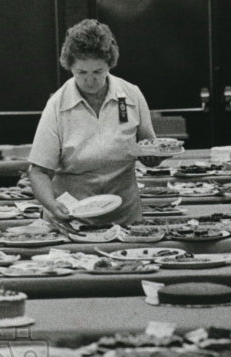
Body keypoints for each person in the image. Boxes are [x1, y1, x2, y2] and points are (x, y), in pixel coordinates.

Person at [28, 19, 156, 226]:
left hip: (125, 216)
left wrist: (153, 156)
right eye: (81, 73)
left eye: (97, 72)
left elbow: (149, 147)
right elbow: (39, 171)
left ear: (109, 65)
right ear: (70, 67)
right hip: (72, 217)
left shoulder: (131, 94)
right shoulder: (57, 105)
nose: (89, 80)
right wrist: (52, 205)